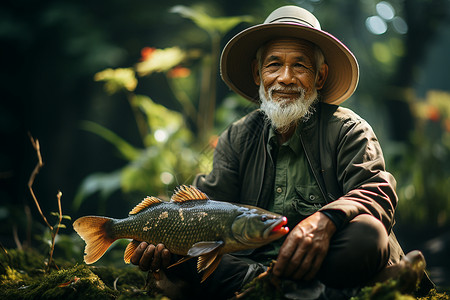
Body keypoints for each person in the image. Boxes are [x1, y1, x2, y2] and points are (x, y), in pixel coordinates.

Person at [130, 5, 432, 299]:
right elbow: (204, 207)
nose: (285, 77)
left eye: (299, 65)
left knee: (369, 235)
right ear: (258, 74)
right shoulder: (238, 136)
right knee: (178, 260)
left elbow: (378, 191)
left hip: (329, 261)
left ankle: (269, 292)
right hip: (253, 266)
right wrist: (160, 240)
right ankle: (295, 291)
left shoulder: (349, 130)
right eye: (274, 64)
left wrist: (325, 221)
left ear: (320, 77)